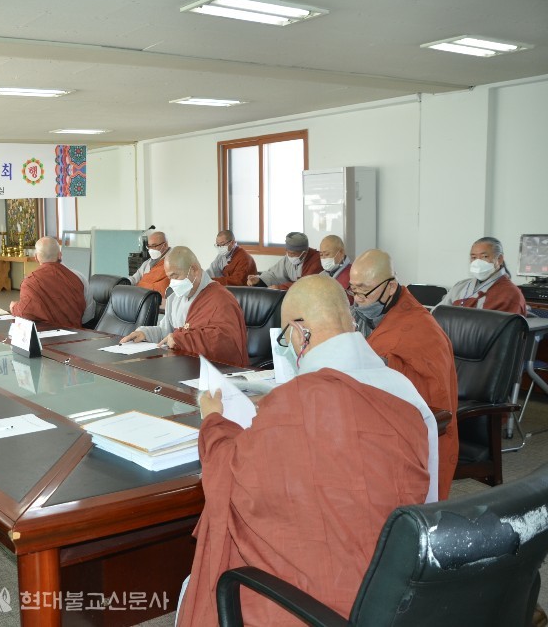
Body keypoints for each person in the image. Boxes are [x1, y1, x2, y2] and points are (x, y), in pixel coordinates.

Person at [178, 275, 437, 627]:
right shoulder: (408, 395)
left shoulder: (296, 401)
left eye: (286, 338)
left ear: (300, 333)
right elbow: (426, 505)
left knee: (194, 587)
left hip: (314, 598)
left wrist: (214, 423)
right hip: (397, 591)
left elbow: (235, 477)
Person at [350, 249, 459, 498]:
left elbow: (432, 394)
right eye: (353, 290)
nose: (358, 299)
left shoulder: (422, 330)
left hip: (409, 428)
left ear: (391, 287)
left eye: (364, 291)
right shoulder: (363, 313)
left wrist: (379, 365)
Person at [120, 246, 248, 366]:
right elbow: (167, 332)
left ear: (194, 270)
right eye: (169, 278)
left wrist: (182, 340)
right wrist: (145, 333)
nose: (172, 283)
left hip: (214, 370)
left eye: (175, 276)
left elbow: (225, 343)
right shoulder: (174, 297)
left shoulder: (221, 299)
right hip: (182, 364)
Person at [9, 236, 87, 328]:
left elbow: (25, 312)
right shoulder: (78, 277)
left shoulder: (30, 281)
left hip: (47, 334)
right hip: (77, 333)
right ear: (60, 255)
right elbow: (87, 315)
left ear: (36, 257)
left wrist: (14, 307)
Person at [438, 236, 528, 315]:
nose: (477, 262)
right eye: (474, 257)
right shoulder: (460, 286)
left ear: (499, 259)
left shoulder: (510, 293)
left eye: (484, 256)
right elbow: (437, 314)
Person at [246, 231, 321, 289]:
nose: (289, 256)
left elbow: (305, 284)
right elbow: (274, 274)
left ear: (304, 253)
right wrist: (259, 280)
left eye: (292, 254)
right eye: (287, 252)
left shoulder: (316, 260)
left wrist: (280, 287)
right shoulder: (288, 258)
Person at [129, 231, 171, 295]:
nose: (151, 249)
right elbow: (135, 278)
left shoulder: (172, 261)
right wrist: (124, 282)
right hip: (142, 295)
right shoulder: (147, 262)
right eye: (149, 246)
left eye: (154, 246)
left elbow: (162, 287)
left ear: (165, 245)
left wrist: (141, 285)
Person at [319, 234, 352, 300]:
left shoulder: (352, 274)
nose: (324, 258)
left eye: (327, 254)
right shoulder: (320, 276)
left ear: (341, 252)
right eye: (321, 254)